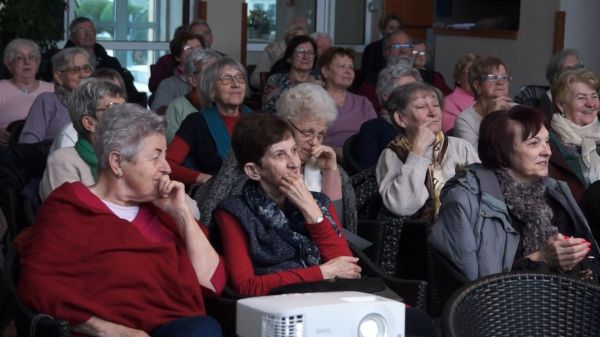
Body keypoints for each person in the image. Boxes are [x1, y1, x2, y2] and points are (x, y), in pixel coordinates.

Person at [19, 103, 225, 337]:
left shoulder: (163, 212)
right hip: (105, 334)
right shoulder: (69, 207)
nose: (167, 168)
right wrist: (114, 332)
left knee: (203, 329)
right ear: (117, 162)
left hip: (174, 329)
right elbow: (38, 286)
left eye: (165, 156)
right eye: (156, 157)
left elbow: (212, 283)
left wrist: (182, 215)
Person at [431, 106, 600, 281]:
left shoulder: (553, 191)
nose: (547, 151)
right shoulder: (463, 201)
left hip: (564, 299)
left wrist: (575, 256)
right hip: (507, 305)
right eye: (534, 143)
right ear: (502, 151)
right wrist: (540, 258)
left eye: (547, 141)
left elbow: (590, 258)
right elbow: (473, 291)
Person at [215, 112, 360, 296]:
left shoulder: (318, 202)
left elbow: (349, 270)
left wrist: (311, 211)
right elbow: (246, 286)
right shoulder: (234, 212)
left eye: (293, 150)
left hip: (331, 298)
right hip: (281, 308)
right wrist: (323, 272)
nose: (294, 163)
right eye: (279, 155)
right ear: (253, 171)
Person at [195, 83, 357, 237]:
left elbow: (338, 229)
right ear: (286, 125)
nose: (314, 141)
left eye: (320, 134)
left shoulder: (329, 166)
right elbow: (218, 209)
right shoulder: (254, 153)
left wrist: (330, 173)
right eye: (307, 132)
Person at [376, 83, 479, 218]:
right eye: (421, 107)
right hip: (415, 235)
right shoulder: (392, 154)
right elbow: (403, 206)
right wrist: (417, 153)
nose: (433, 113)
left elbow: (482, 196)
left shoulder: (461, 147)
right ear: (401, 119)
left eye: (436, 105)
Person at [166, 57, 251, 185]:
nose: (236, 84)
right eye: (226, 79)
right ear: (211, 89)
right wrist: (203, 179)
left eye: (240, 78)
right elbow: (167, 165)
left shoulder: (257, 120)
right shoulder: (196, 123)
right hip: (215, 197)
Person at [38, 78, 125, 200]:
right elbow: (67, 215)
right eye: (113, 109)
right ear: (89, 123)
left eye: (124, 108)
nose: (125, 116)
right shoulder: (63, 161)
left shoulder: (130, 156)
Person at [64, 17, 146, 106]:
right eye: (81, 30)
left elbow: (130, 93)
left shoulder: (111, 63)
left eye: (91, 30)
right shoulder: (63, 62)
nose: (88, 34)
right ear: (72, 37)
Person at [18, 47, 93, 144]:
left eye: (86, 68)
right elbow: (28, 143)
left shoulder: (99, 102)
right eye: (75, 70)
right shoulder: (47, 101)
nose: (83, 74)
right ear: (59, 77)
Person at [355, 64, 423, 169]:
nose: (414, 96)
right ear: (387, 96)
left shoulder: (426, 124)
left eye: (415, 90)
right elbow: (367, 173)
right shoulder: (372, 129)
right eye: (406, 90)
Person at [548, 67, 600, 202]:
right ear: (561, 105)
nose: (591, 104)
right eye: (581, 98)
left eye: (594, 96)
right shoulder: (547, 143)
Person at [49, 68, 127, 153]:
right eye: (113, 108)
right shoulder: (68, 141)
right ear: (89, 123)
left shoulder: (132, 143)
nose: (124, 114)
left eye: (124, 106)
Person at [320, 47, 377, 157]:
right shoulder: (314, 101)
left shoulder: (364, 103)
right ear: (325, 71)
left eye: (351, 67)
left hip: (363, 161)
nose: (348, 71)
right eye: (342, 67)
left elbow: (376, 137)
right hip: (328, 160)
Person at [0, 39, 54, 146]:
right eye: (19, 58)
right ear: (9, 64)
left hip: (46, 150)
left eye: (32, 57)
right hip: (7, 152)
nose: (27, 62)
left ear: (38, 63)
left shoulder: (52, 89)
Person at [453, 56, 515, 147]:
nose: (501, 82)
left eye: (504, 77)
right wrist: (492, 118)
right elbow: (476, 156)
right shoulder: (465, 120)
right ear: (477, 86)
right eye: (493, 77)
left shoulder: (517, 111)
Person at [164, 48, 221, 144]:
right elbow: (172, 145)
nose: (216, 78)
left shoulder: (227, 105)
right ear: (193, 80)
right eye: (208, 73)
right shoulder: (177, 107)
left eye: (219, 72)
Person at [356, 29, 413, 112]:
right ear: (385, 52)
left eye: (407, 46)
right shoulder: (371, 83)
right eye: (396, 46)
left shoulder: (427, 79)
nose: (403, 51)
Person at [261, 35, 320, 114]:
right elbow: (268, 111)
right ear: (289, 58)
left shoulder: (320, 82)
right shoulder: (276, 80)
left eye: (311, 53)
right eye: (301, 52)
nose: (306, 57)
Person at [151, 31, 204, 114]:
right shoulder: (168, 85)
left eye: (199, 48)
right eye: (189, 48)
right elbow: (155, 117)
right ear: (177, 57)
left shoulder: (211, 80)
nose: (195, 52)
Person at [250, 20, 308, 90]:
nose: (300, 44)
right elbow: (255, 80)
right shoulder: (272, 50)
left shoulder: (307, 55)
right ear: (289, 38)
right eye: (297, 39)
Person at [540, 49, 584, 122]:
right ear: (556, 75)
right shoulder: (548, 98)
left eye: (578, 67)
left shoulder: (588, 94)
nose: (575, 72)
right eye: (568, 69)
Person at [359, 14, 403, 86]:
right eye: (391, 28)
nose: (395, 31)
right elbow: (366, 74)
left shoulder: (404, 48)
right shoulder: (371, 48)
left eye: (398, 28)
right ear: (383, 30)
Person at [442, 53, 478, 132]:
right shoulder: (448, 104)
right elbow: (457, 139)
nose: (476, 77)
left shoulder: (492, 100)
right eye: (470, 73)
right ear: (458, 78)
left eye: (480, 73)